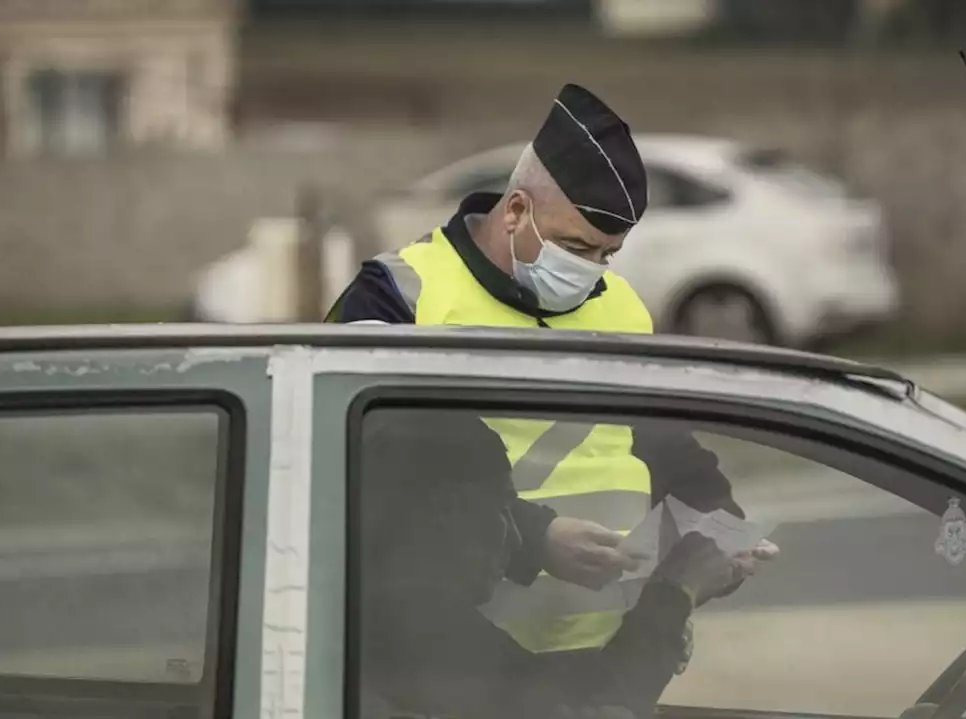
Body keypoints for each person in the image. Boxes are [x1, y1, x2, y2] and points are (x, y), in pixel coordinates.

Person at [328, 83, 778, 655]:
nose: (589, 271)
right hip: (447, 666)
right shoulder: (400, 296)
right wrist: (532, 537)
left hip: (601, 662)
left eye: (606, 255)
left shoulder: (618, 308)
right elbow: (367, 469)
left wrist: (719, 522)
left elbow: (661, 444)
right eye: (575, 247)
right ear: (516, 209)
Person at [358, 409, 740, 719]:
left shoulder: (406, 625)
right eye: (499, 509)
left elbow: (551, 690)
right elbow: (595, 707)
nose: (519, 538)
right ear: (442, 518)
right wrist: (673, 595)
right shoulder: (418, 650)